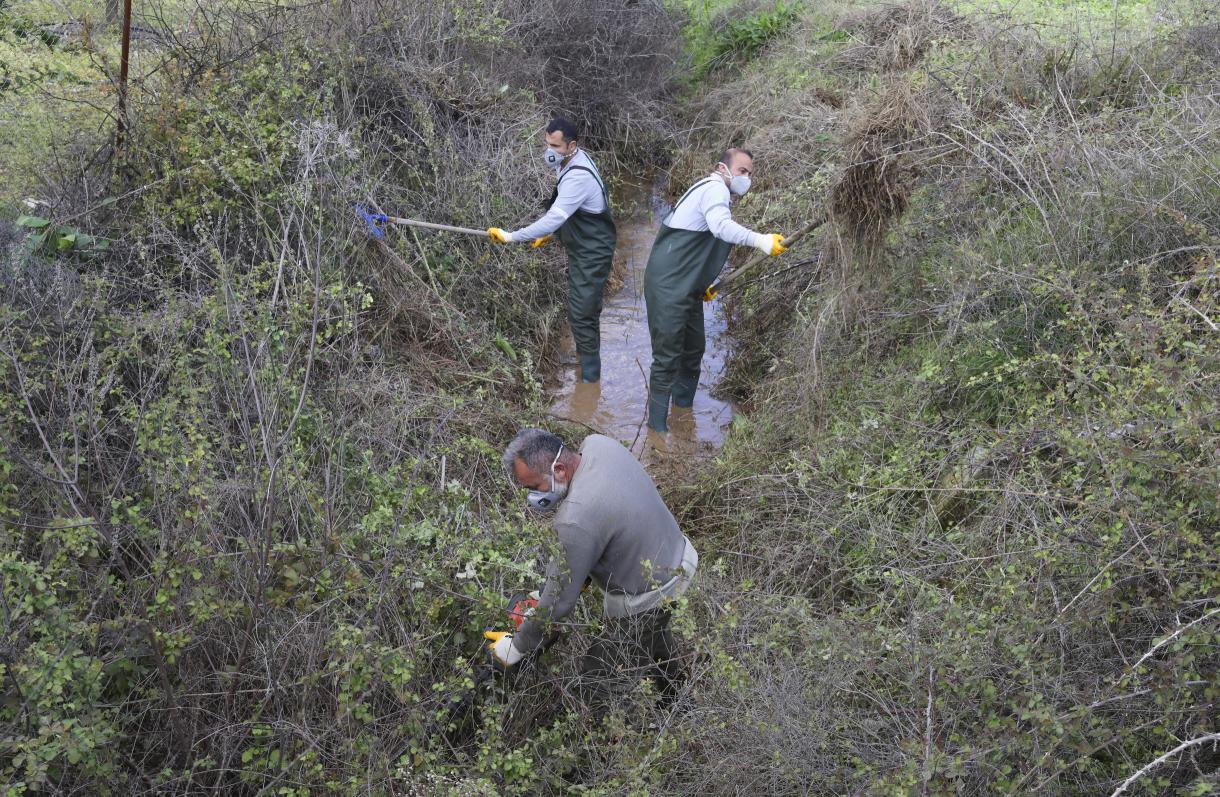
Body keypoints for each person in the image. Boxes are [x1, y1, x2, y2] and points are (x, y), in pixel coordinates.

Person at [485, 428, 698, 710]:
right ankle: (679, 702)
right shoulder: (599, 446)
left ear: (558, 469)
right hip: (680, 557)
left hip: (649, 593)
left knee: (599, 682)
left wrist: (517, 646)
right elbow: (609, 524)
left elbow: (558, 606)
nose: (532, 498)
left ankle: (608, 745)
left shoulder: (575, 519)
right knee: (654, 634)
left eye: (533, 488)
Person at [643, 148, 787, 433]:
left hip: (688, 287)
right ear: (723, 168)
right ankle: (656, 432)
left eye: (750, 173)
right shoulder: (714, 189)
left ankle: (682, 417)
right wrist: (761, 240)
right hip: (669, 287)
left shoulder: (714, 192)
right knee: (667, 358)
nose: (747, 178)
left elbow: (699, 246)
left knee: (693, 350)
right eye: (742, 171)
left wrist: (703, 282)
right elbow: (720, 227)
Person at [488, 118, 617, 384]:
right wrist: (551, 234)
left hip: (593, 252)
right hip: (581, 246)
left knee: (583, 313)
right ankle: (586, 366)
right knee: (581, 310)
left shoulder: (578, 175)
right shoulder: (566, 161)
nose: (549, 151)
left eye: (555, 146)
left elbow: (556, 216)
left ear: (572, 145)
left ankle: (590, 382)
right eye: (547, 144)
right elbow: (569, 213)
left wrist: (511, 237)